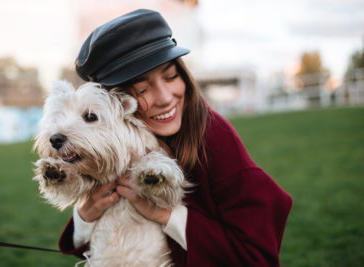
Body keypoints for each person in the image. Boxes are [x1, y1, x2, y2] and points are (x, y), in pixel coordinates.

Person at [58, 9, 292, 266]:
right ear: (116, 105)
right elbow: (100, 243)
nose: (166, 97)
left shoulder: (213, 137)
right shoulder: (112, 144)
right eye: (143, 89)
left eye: (171, 77)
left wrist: (166, 214)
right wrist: (85, 214)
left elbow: (257, 256)